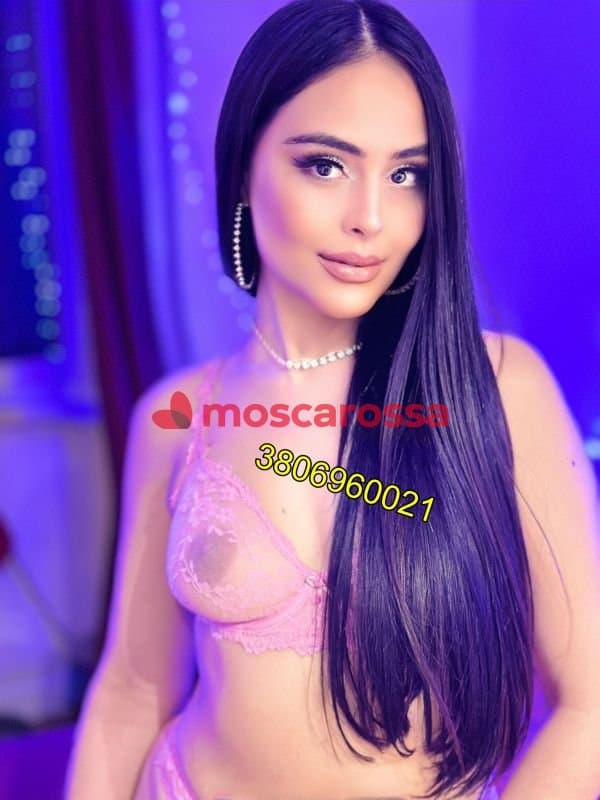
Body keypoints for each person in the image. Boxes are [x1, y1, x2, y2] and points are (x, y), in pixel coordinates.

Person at [64, 1, 600, 798]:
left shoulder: (497, 389)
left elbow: (590, 703)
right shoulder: (178, 418)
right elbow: (132, 693)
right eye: (325, 165)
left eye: (406, 174)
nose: (370, 219)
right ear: (243, 166)